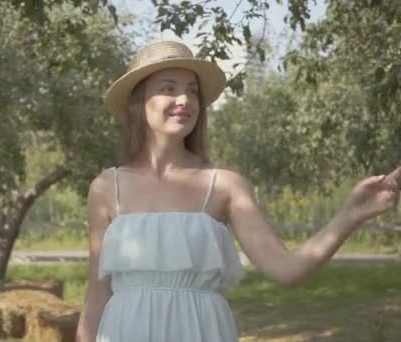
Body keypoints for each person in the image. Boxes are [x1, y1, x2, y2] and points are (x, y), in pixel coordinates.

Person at [74, 40, 400, 342]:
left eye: (192, 91)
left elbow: (285, 269)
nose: (185, 99)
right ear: (139, 103)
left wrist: (350, 215)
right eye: (168, 88)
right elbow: (97, 295)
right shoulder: (106, 188)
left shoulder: (225, 185)